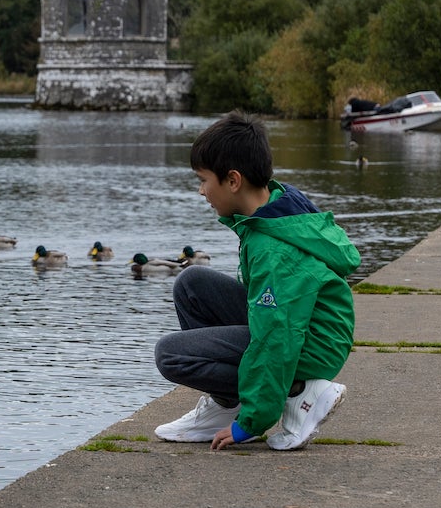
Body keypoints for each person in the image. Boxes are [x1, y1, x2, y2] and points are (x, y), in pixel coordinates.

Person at [152, 112, 360, 450]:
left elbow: (276, 337)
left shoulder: (272, 251)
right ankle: (225, 404)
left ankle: (300, 391)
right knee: (191, 285)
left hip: (310, 343)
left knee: (171, 356)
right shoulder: (271, 208)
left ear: (233, 181)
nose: (201, 191)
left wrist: (250, 423)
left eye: (204, 180)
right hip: (307, 327)